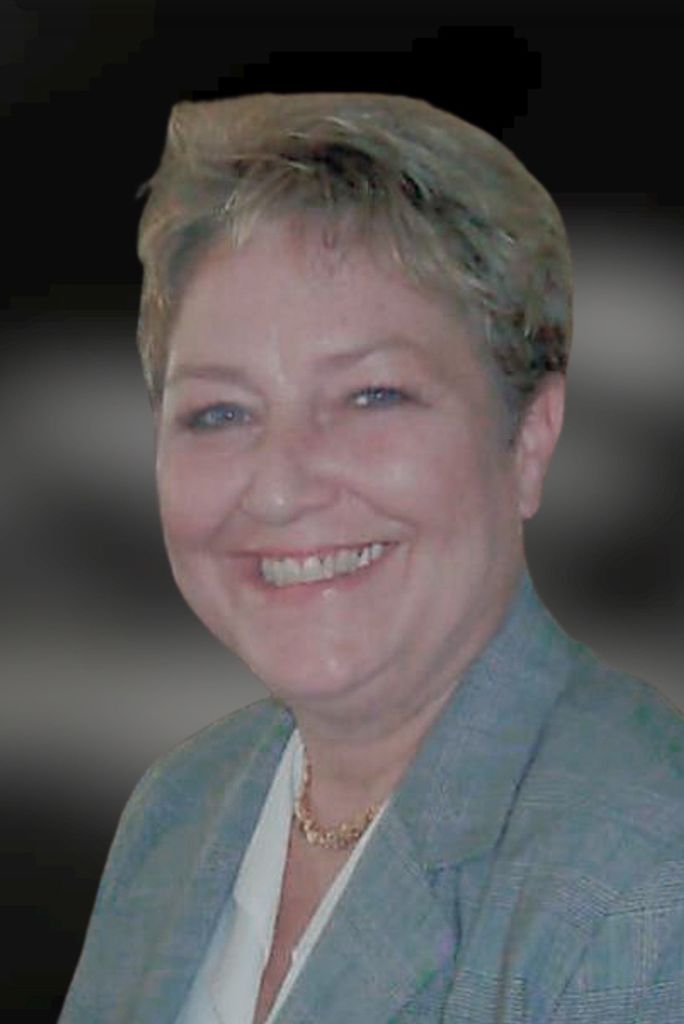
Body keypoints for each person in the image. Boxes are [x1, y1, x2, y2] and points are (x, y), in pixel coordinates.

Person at [58, 92, 684, 1024]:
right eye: (219, 412)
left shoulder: (648, 884)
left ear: (530, 438)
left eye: (372, 396)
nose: (278, 490)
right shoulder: (180, 806)